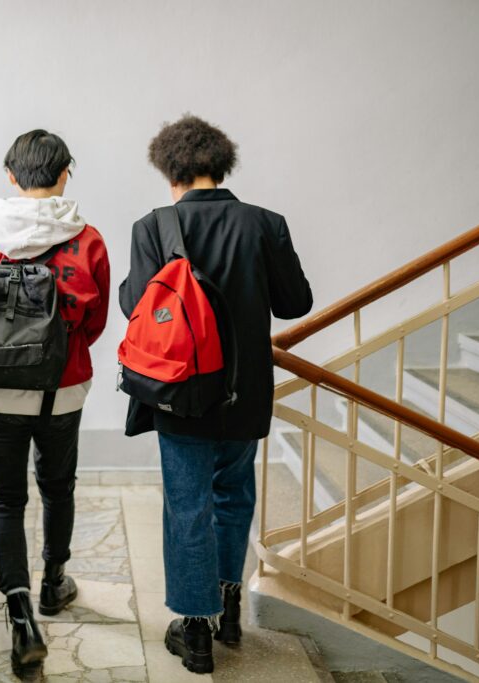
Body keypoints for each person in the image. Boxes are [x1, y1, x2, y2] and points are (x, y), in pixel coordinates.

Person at [119, 114, 313, 674]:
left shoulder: (153, 227)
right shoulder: (265, 223)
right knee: (233, 497)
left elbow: (136, 306)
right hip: (246, 392)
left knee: (188, 508)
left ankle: (196, 630)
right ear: (223, 166)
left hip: (180, 392)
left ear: (170, 170)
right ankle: (228, 609)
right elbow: (295, 303)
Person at [0, 129, 110, 676]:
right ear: (65, 174)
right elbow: (94, 324)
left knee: (4, 500)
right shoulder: (87, 240)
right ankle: (53, 582)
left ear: (11, 177)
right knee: (58, 486)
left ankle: (19, 615)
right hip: (63, 389)